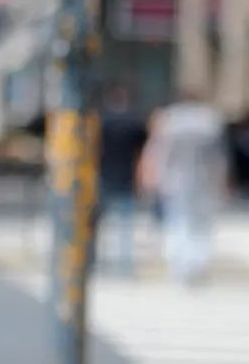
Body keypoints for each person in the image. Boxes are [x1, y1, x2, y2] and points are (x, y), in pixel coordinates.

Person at [138, 89, 230, 285]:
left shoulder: (169, 120)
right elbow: (220, 157)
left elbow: (158, 152)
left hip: (175, 179)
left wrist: (152, 176)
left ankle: (180, 265)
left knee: (177, 220)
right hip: (204, 179)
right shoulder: (210, 121)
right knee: (200, 224)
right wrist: (222, 179)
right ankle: (196, 264)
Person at [92, 84, 147, 275]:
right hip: (126, 177)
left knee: (97, 224)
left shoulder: (102, 123)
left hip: (104, 176)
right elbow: (141, 153)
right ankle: (125, 265)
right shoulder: (134, 123)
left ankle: (95, 260)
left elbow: (93, 151)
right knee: (125, 226)